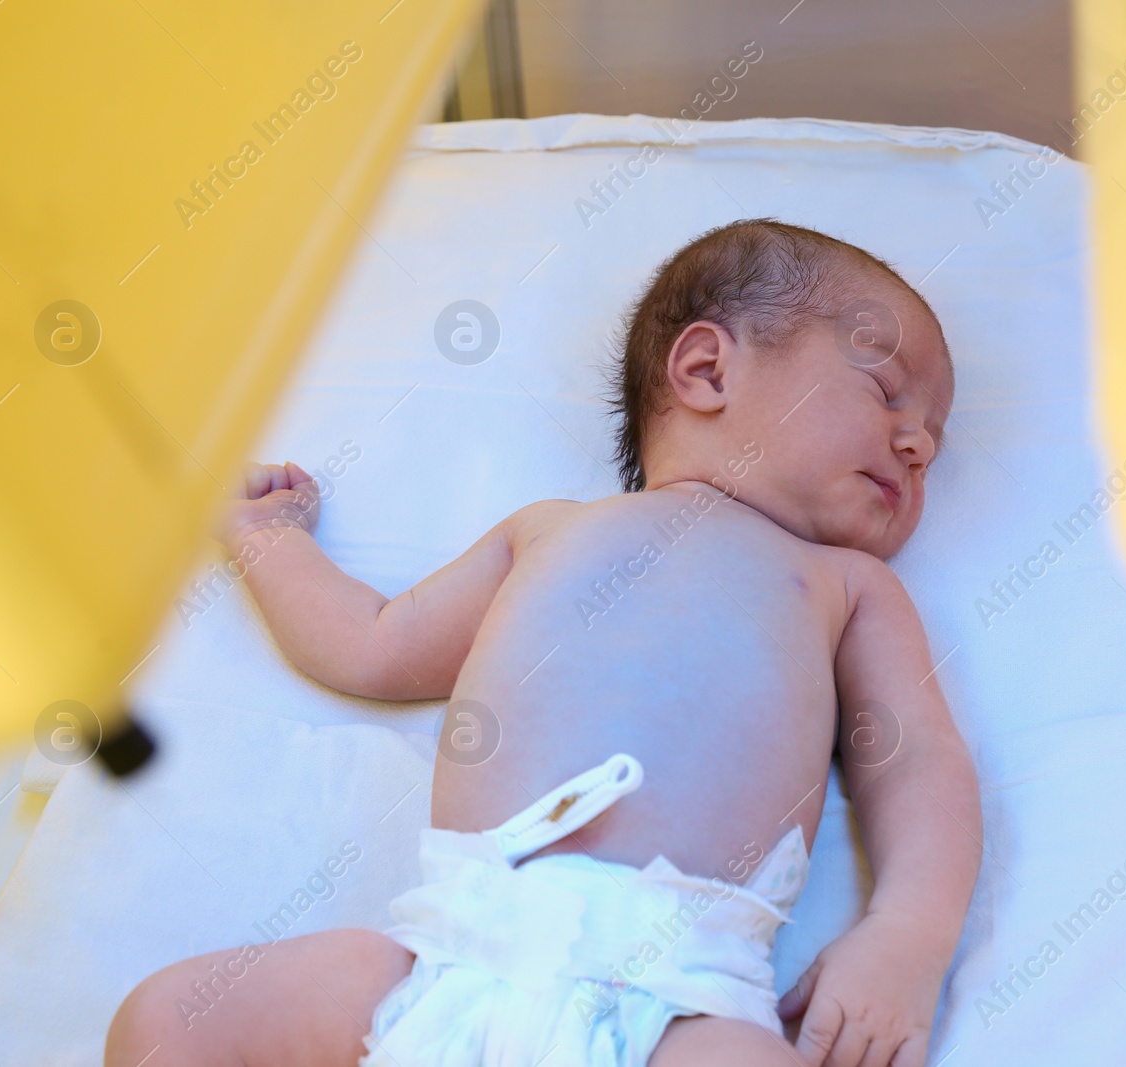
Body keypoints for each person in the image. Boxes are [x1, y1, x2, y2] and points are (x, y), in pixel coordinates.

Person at [106, 219, 981, 1067]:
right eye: (885, 389)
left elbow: (916, 764)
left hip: (681, 998)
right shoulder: (550, 533)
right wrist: (267, 537)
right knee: (167, 1021)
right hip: (451, 961)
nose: (915, 444)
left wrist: (908, 936)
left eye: (932, 449)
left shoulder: (847, 586)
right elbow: (371, 643)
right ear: (708, 369)